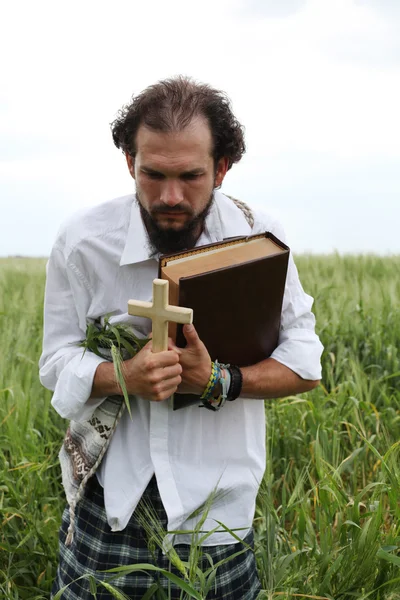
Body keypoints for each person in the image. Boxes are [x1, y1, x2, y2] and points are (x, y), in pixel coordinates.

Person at [39, 76, 323, 599]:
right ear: (130, 162)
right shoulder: (83, 242)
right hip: (111, 506)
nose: (170, 196)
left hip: (218, 514)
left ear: (221, 168)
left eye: (191, 176)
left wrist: (218, 379)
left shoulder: (256, 240)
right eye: (153, 174)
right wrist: (123, 376)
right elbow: (55, 360)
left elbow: (305, 362)